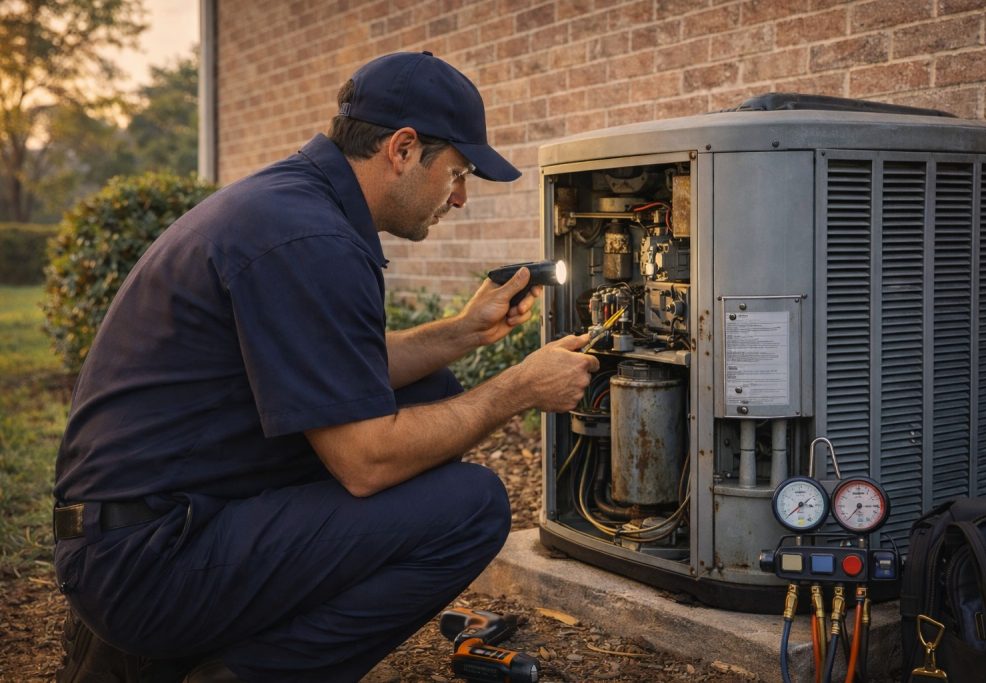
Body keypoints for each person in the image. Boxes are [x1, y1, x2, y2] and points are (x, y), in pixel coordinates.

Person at [52, 51, 598, 682]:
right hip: (146, 564)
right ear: (402, 148)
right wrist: (517, 390)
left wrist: (462, 332)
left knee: (431, 391)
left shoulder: (292, 207)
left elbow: (335, 367)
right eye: (457, 173)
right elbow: (366, 463)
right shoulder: (313, 241)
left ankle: (145, 659)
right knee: (471, 509)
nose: (461, 199)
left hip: (136, 532)